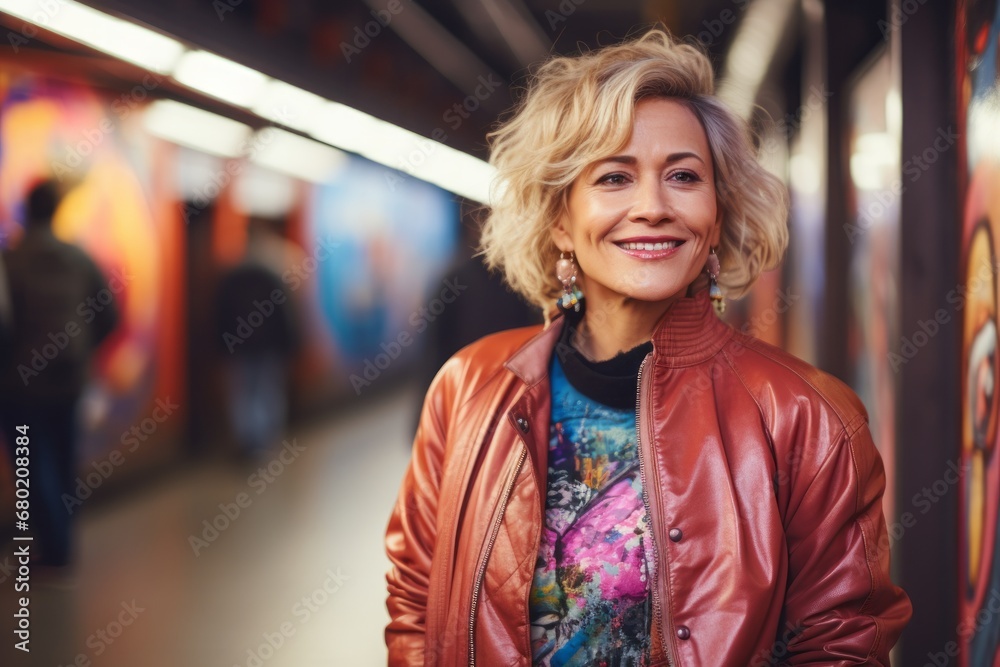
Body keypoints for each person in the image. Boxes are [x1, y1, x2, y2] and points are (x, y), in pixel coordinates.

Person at [384, 29, 911, 665]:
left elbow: (844, 642)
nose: (653, 207)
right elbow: (416, 596)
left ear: (715, 215)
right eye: (614, 177)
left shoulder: (807, 417)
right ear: (561, 220)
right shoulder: (468, 387)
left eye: (684, 176)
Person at [0, 179, 119, 568]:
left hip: (19, 387)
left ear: (25, 211)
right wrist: (83, 353)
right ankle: (63, 546)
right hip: (69, 383)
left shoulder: (10, 260)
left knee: (30, 466)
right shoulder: (79, 258)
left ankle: (53, 549)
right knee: (65, 463)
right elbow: (109, 315)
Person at [214, 217, 302, 460]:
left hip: (239, 346)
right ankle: (265, 440)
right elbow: (284, 314)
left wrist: (222, 344)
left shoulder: (231, 276)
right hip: (269, 346)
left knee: (243, 393)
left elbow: (221, 314)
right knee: (268, 390)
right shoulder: (272, 275)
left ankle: (247, 442)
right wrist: (290, 343)